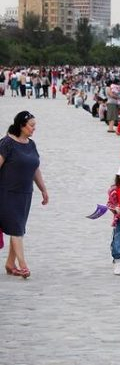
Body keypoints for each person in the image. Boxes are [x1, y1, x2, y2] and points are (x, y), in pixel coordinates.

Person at [0, 111, 49, 279]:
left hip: (25, 193)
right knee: (16, 230)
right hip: (7, 193)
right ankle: (23, 266)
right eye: (31, 126)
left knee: (18, 228)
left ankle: (10, 264)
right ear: (21, 125)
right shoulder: (6, 143)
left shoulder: (31, 144)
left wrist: (43, 189)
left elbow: (35, 168)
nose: (34, 129)